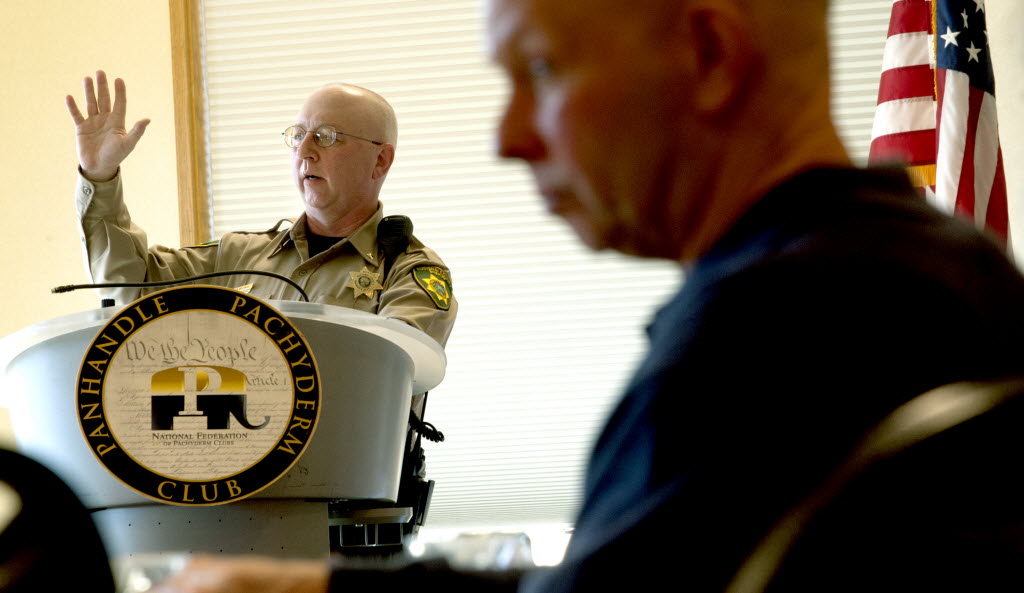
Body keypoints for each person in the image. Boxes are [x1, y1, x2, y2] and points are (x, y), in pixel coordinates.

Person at [152, 0, 1024, 591]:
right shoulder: (938, 277)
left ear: (709, 55)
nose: (508, 138)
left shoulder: (779, 339)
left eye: (540, 71)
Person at [67, 71, 457, 348]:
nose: (305, 151)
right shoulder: (239, 256)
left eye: (326, 137)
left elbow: (390, 368)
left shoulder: (406, 271)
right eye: (298, 136)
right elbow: (132, 288)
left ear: (380, 161)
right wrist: (100, 177)